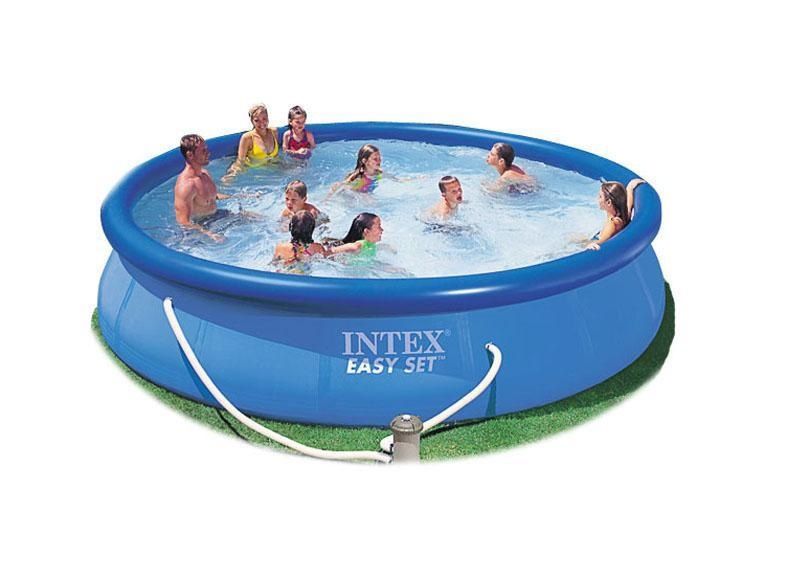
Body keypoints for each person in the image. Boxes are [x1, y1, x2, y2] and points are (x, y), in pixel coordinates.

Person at [173, 134, 231, 242]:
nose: (208, 153)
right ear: (190, 155)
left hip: (216, 216)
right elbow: (183, 221)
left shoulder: (204, 174)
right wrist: (209, 234)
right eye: (203, 151)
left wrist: (240, 196)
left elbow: (212, 196)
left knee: (252, 217)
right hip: (200, 228)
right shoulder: (186, 186)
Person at [223, 103, 279, 181]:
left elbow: (276, 156)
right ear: (252, 121)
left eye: (264, 119)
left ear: (268, 118)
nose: (261, 123)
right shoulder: (247, 138)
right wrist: (231, 175)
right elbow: (240, 160)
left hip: (271, 172)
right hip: (253, 174)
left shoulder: (274, 132)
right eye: (257, 120)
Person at [585, 180, 640, 250]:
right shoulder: (623, 215)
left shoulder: (613, 223)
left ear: (608, 202)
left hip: (597, 240)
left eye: (600, 196)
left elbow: (602, 241)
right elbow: (629, 204)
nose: (598, 199)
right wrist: (630, 187)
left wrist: (591, 245)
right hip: (597, 236)